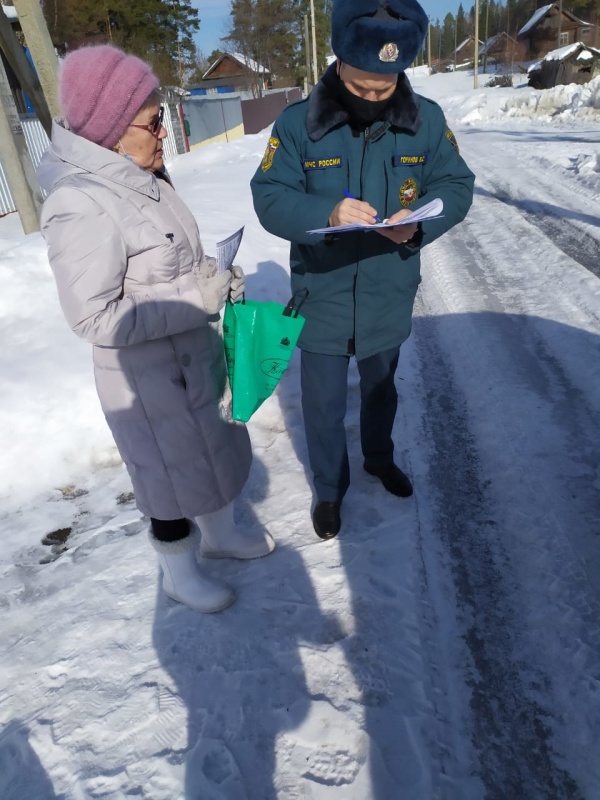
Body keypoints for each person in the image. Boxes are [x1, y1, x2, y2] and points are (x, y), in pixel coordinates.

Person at [37, 45, 274, 613]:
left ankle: (219, 536)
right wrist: (196, 297)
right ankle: (177, 572)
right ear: (114, 129)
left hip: (190, 359)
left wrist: (216, 280)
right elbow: (94, 316)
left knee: (212, 448)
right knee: (167, 478)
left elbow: (168, 265)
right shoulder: (80, 203)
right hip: (147, 382)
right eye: (152, 120)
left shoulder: (144, 179)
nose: (163, 131)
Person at [251, 0, 475, 540]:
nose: (377, 96)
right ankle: (329, 490)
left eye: (387, 84)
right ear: (340, 63)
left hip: (387, 289)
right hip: (322, 292)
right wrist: (323, 212)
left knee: (381, 390)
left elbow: (456, 186)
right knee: (323, 405)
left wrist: (418, 225)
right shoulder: (297, 125)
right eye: (364, 86)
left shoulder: (427, 121)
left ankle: (379, 457)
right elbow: (269, 196)